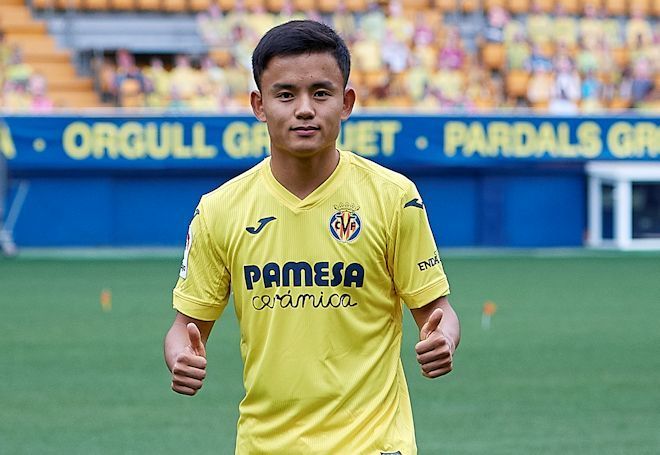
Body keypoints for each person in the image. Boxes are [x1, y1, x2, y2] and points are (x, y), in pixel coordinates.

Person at [164, 20, 460, 454]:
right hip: (265, 445)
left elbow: (437, 311)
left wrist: (442, 339)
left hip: (375, 444)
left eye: (321, 93)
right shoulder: (219, 209)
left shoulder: (394, 197)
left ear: (346, 102)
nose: (304, 109)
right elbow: (184, 327)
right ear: (259, 104)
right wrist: (181, 357)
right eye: (286, 95)